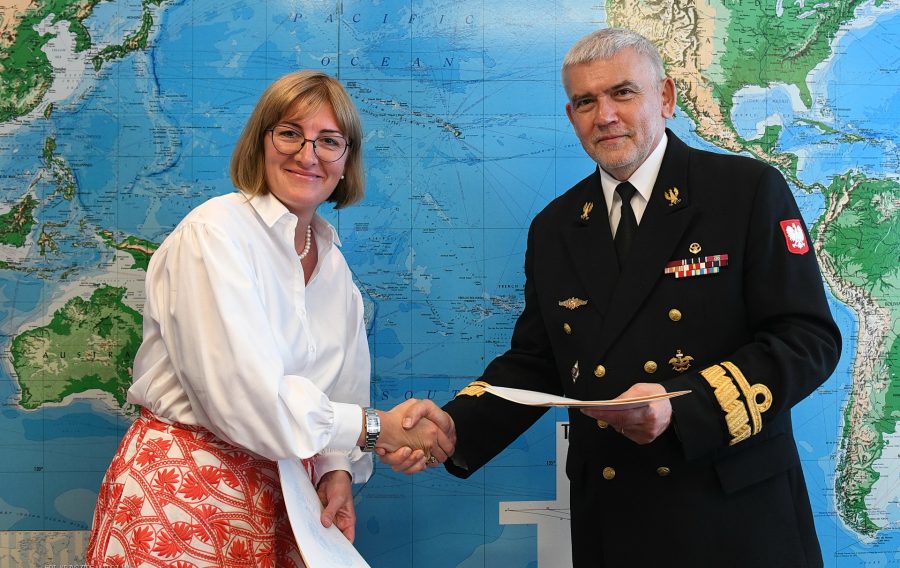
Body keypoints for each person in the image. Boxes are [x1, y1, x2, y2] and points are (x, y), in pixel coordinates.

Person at [382, 28, 841, 567]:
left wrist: (680, 406)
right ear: (571, 114)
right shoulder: (556, 227)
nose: (604, 115)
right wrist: (457, 427)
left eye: (623, 92)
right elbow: (538, 361)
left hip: (734, 515)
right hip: (613, 516)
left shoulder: (745, 191)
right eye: (585, 101)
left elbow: (807, 339)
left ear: (666, 98)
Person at [86, 70, 453, 567]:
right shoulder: (213, 236)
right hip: (181, 500)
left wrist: (334, 472)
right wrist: (375, 428)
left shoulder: (333, 265)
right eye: (289, 134)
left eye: (329, 141)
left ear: (346, 162)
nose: (308, 155)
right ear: (259, 144)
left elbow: (339, 390)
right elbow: (246, 399)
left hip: (286, 507)